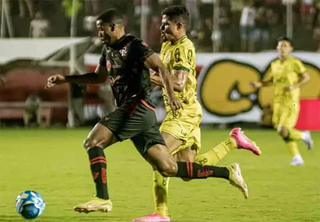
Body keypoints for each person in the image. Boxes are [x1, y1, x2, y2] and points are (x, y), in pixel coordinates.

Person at [45, 8, 248, 214]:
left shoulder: (134, 45)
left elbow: (162, 69)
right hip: (146, 113)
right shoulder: (109, 50)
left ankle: (106, 199)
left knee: (93, 141)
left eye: (101, 29)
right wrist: (66, 79)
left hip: (140, 107)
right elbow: (98, 77)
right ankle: (227, 172)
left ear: (114, 27)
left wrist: (168, 91)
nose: (99, 34)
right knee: (168, 167)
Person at [133, 5, 261, 222]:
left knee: (160, 157)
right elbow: (163, 78)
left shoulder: (183, 47)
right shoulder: (167, 46)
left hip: (182, 113)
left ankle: (161, 214)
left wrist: (144, 78)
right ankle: (232, 146)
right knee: (185, 170)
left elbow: (178, 84)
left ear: (179, 25)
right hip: (185, 112)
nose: (161, 27)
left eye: (166, 23)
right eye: (161, 22)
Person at [251, 37, 313, 166]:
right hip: (278, 101)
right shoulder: (275, 64)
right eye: (280, 46)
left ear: (291, 49)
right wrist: (259, 84)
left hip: (291, 101)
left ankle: (304, 136)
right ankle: (297, 157)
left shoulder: (294, 62)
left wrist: (294, 86)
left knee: (282, 129)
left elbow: (306, 77)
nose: (282, 48)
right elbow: (271, 80)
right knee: (282, 132)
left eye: (285, 46)